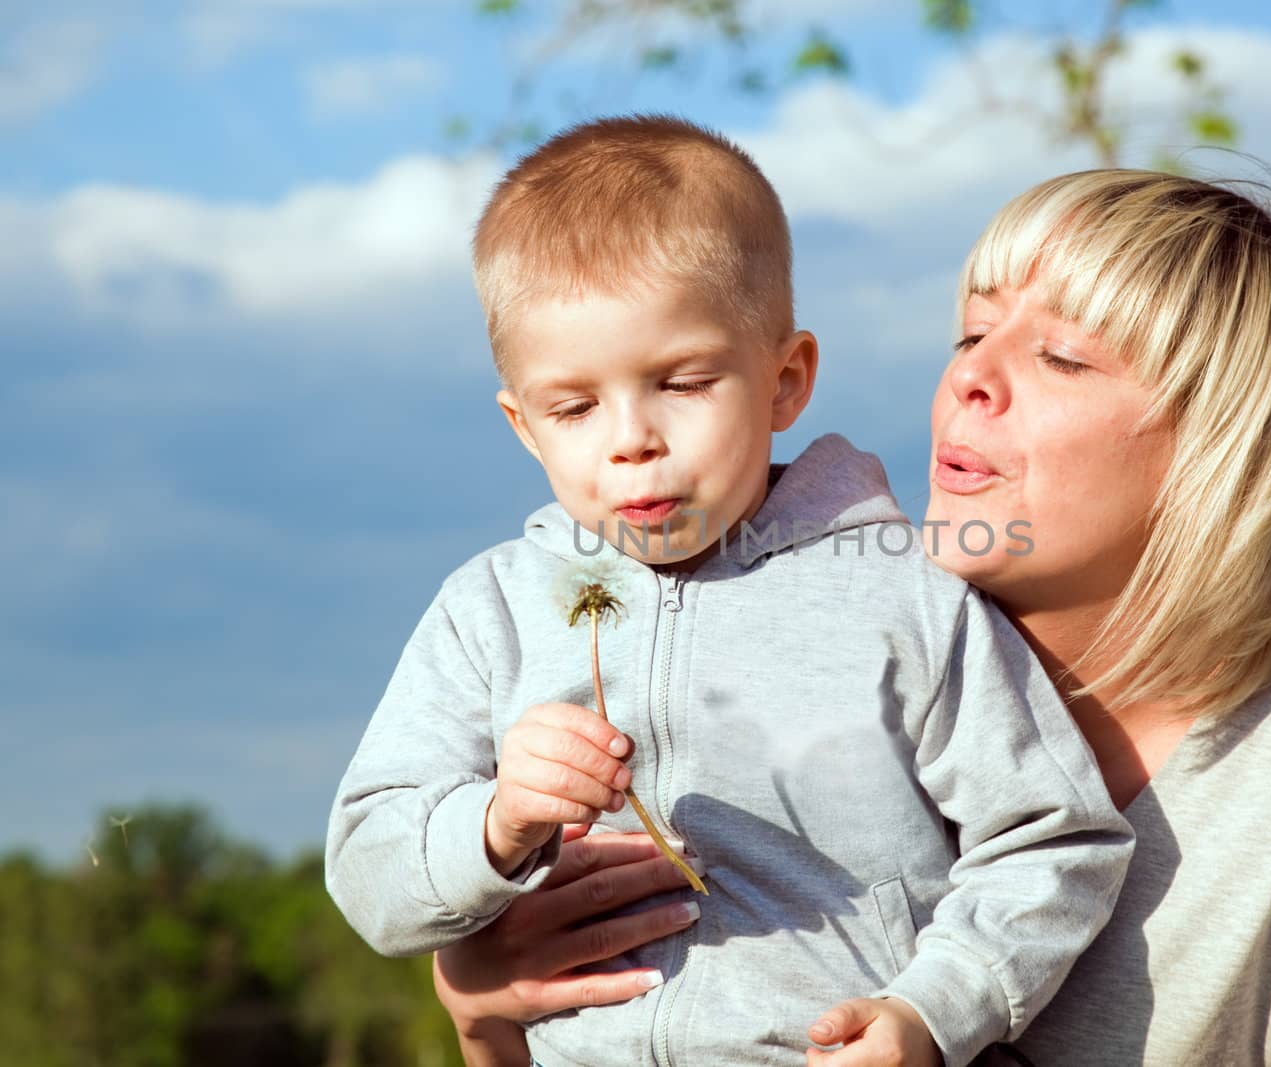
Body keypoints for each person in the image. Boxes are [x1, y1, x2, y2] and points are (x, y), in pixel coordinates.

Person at [431, 168, 1271, 1066]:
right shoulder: (810, 686)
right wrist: (486, 1004)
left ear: (1223, 456)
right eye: (974, 329)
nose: (972, 376)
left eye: (1063, 356)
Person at [324, 116, 1135, 1067]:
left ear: (785, 380)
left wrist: (933, 1011)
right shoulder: (490, 612)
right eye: (574, 407)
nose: (631, 438)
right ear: (523, 426)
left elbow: (1052, 837)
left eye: (683, 381)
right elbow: (372, 873)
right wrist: (497, 824)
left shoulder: (905, 598)